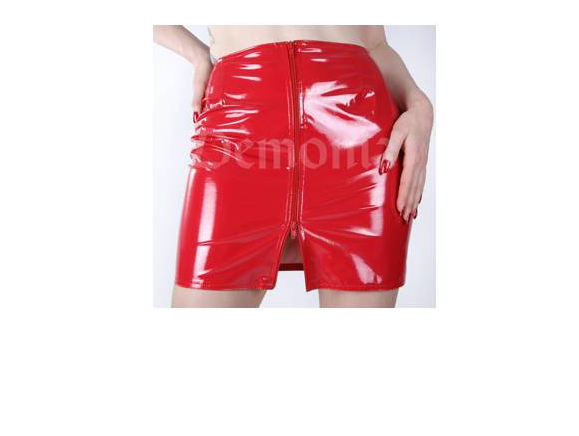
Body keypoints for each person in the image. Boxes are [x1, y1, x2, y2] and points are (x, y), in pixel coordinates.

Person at [154, 25, 433, 308]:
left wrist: (419, 103)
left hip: (361, 149)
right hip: (235, 136)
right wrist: (198, 54)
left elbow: (375, 44)